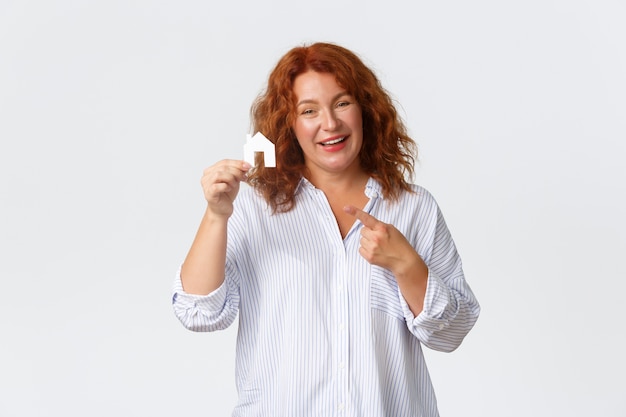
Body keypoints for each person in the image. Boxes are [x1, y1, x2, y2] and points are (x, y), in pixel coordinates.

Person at [172, 42, 480, 417]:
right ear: (290, 124)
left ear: (365, 109)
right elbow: (198, 313)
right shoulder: (251, 206)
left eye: (342, 103)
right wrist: (217, 214)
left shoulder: (414, 207)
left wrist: (407, 266)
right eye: (309, 110)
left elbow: (452, 332)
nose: (330, 124)